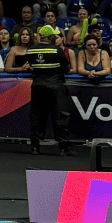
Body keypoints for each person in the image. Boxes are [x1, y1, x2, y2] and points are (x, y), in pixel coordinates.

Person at [26, 25, 73, 156]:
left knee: (37, 116)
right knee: (60, 116)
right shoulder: (56, 51)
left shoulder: (31, 50)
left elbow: (31, 66)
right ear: (51, 37)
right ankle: (63, 148)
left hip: (37, 86)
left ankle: (35, 147)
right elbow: (66, 68)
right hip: (55, 86)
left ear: (40, 36)